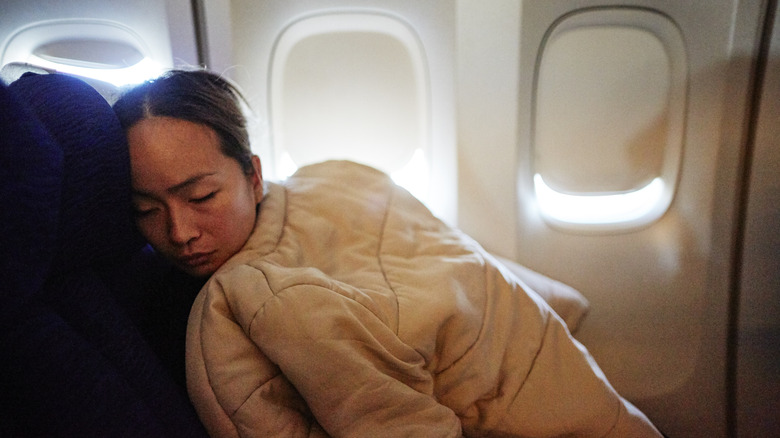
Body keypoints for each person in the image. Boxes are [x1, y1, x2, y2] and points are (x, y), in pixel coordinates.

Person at [113, 69, 662, 437]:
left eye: (201, 196)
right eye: (146, 210)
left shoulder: (265, 297)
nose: (179, 231)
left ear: (254, 175)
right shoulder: (335, 176)